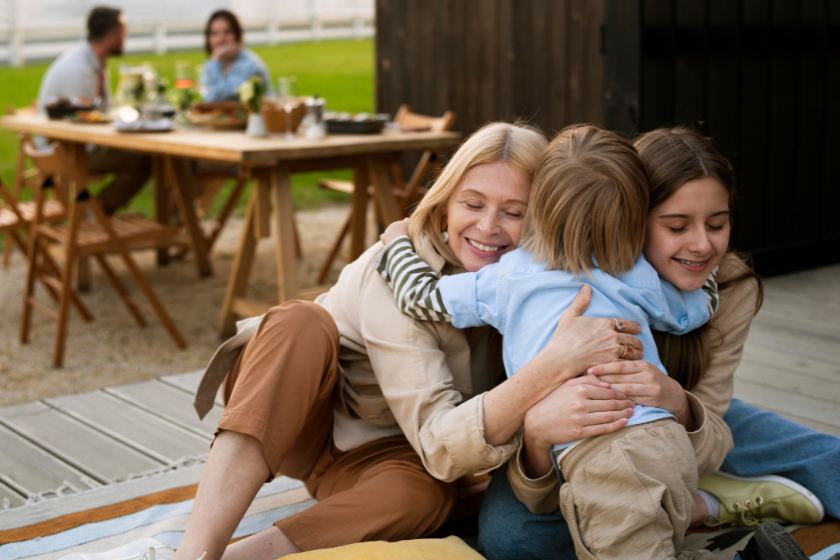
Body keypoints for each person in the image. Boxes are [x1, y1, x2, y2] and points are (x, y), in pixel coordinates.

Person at [169, 122, 646, 560]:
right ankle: (196, 551)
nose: (488, 227)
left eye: (514, 212)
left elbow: (439, 461)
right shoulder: (400, 274)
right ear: (445, 202)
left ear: (544, 217)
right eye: (473, 204)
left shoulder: (546, 286)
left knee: (427, 495)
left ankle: (248, 555)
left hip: (388, 456)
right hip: (298, 417)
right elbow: (444, 446)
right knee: (300, 320)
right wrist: (553, 364)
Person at [478, 127, 825, 560]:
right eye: (677, 226)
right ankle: (704, 505)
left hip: (685, 424)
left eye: (718, 223)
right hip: (583, 447)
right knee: (515, 541)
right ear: (624, 219)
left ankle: (699, 498)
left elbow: (712, 429)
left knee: (829, 461)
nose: (702, 245)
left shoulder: (730, 285)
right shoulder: (554, 285)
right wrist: (536, 438)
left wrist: (678, 403)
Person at [377, 124, 721, 560]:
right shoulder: (638, 273)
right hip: (666, 442)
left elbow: (420, 297)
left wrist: (395, 247)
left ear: (539, 206)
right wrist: (708, 273)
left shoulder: (509, 277)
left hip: (600, 451)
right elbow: (696, 310)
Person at [36, 6, 151, 215]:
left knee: (146, 154)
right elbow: (82, 129)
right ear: (112, 36)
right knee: (147, 158)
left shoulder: (93, 63)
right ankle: (98, 214)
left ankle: (98, 214)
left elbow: (106, 111)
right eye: (124, 33)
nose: (126, 38)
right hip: (63, 153)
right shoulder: (79, 70)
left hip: (73, 146)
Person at [200, 10, 274, 102]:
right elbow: (205, 95)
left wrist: (215, 60)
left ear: (237, 34)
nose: (220, 39)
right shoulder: (219, 63)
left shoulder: (248, 64)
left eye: (227, 32)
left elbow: (215, 99)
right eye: (214, 33)